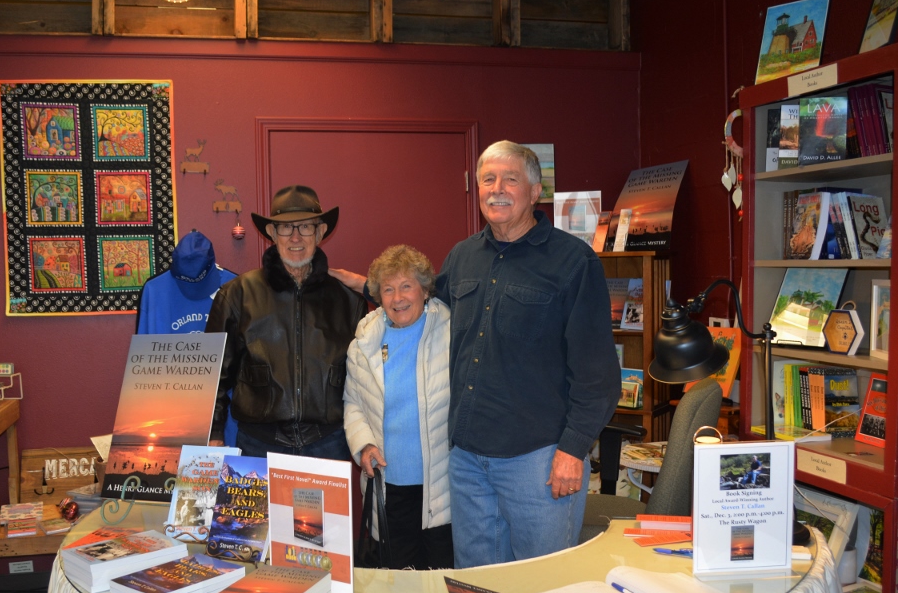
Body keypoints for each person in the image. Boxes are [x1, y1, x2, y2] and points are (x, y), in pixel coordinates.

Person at [331, 140, 619, 568]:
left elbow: (597, 374)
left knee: (542, 583)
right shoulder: (463, 258)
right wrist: (371, 287)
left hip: (537, 461)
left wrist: (573, 451)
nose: (497, 188)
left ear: (535, 191)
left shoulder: (572, 262)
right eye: (488, 179)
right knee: (479, 592)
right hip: (465, 464)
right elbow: (416, 305)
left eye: (510, 179)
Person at [206, 185, 367, 461]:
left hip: (328, 445)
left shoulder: (349, 301)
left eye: (305, 227)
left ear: (320, 232)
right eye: (285, 227)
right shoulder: (237, 295)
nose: (295, 237)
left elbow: (368, 380)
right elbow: (214, 375)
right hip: (258, 445)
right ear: (271, 233)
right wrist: (213, 434)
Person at [344, 245, 453, 570]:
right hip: (387, 485)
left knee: (441, 579)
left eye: (406, 286)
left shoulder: (451, 332)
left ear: (424, 289)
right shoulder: (364, 342)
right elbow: (353, 403)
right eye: (388, 289)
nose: (397, 298)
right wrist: (363, 445)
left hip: (441, 485)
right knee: (397, 587)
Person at [136, 230, 240, 446]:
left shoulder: (236, 287)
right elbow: (144, 370)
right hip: (172, 411)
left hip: (224, 410)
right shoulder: (153, 290)